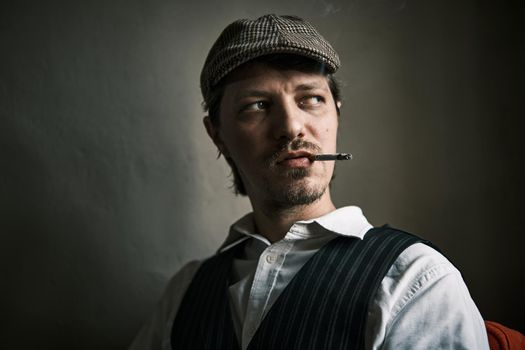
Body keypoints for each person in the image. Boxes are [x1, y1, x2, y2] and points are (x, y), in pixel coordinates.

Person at [129, 14, 489, 349]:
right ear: (217, 136)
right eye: (256, 105)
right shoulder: (185, 293)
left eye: (312, 99)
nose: (290, 126)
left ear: (336, 115)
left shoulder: (415, 281)